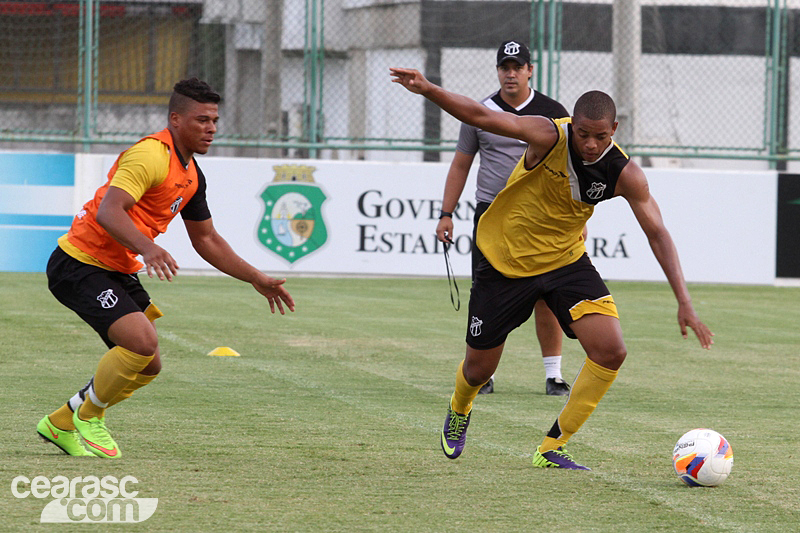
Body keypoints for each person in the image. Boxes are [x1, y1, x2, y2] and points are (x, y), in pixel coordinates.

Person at [391, 67, 714, 469]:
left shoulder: (624, 172)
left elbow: (658, 234)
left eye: (602, 135)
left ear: (614, 128)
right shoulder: (548, 135)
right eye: (583, 134)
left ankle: (551, 447)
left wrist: (684, 301)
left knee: (611, 350)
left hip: (564, 261)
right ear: (571, 124)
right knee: (478, 369)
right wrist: (427, 89)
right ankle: (460, 407)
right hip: (503, 259)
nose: (592, 144)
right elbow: (482, 116)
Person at [37, 78, 295, 459]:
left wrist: (256, 277)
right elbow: (110, 211)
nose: (211, 128)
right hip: (79, 262)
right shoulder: (149, 156)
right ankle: (89, 417)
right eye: (202, 120)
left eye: (215, 120)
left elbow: (206, 240)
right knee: (140, 343)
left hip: (118, 267)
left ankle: (61, 423)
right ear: (176, 119)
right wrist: (149, 248)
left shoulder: (191, 175)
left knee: (148, 365)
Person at [436, 40, 571, 396]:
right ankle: (481, 373)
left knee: (547, 294)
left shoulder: (553, 112)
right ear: (498, 71)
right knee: (485, 294)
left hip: (541, 218)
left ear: (530, 70)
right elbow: (461, 163)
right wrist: (446, 213)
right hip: (491, 216)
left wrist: (577, 222)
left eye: (517, 67)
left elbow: (571, 170)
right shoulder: (479, 112)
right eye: (504, 67)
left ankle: (553, 374)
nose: (510, 73)